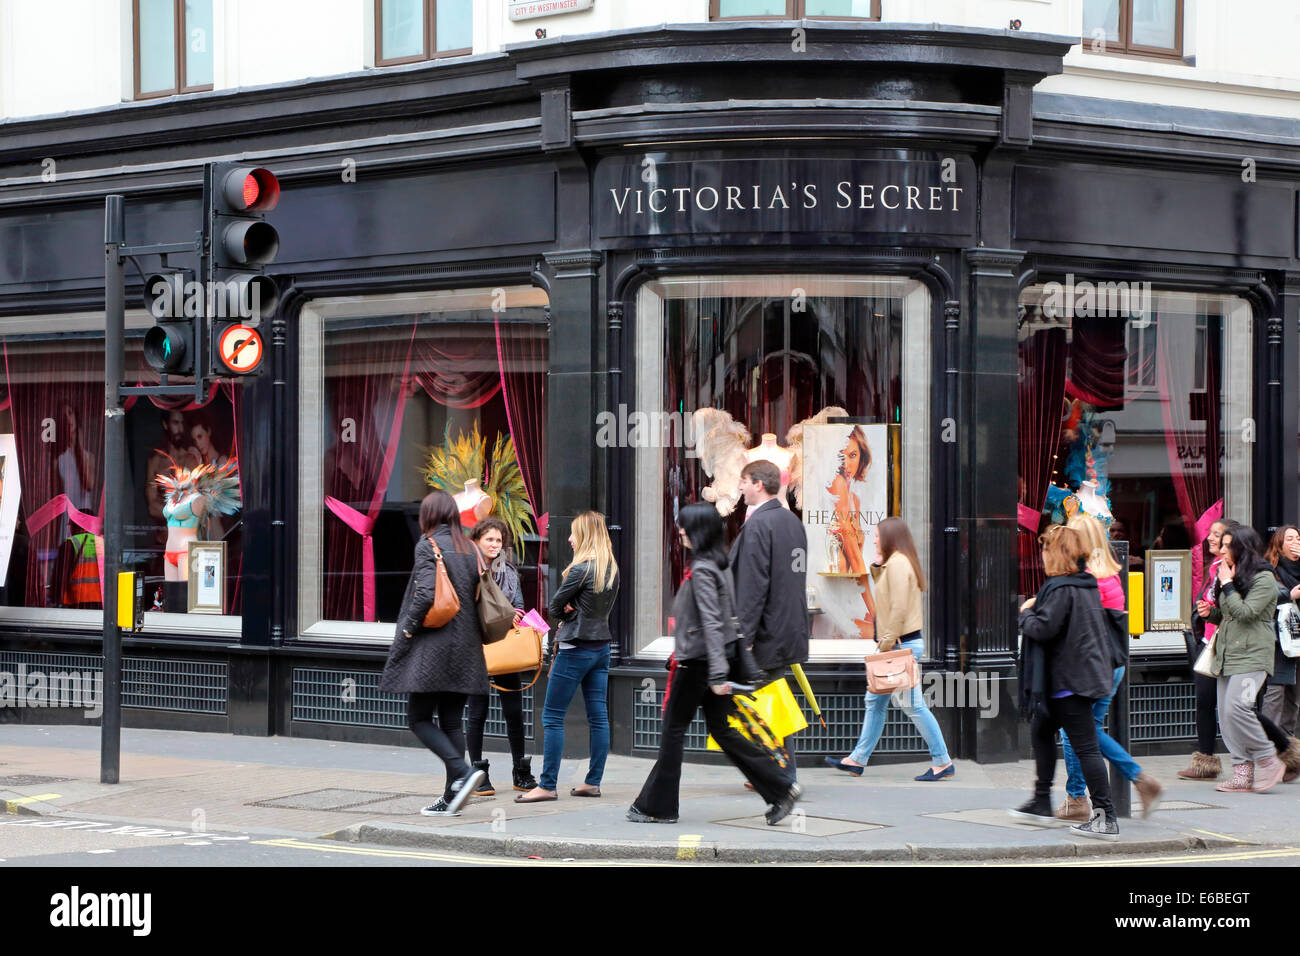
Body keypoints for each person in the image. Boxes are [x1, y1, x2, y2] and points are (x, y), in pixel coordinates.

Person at [627, 502, 800, 825]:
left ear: (700, 531)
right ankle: (781, 788)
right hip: (705, 662)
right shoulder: (716, 566)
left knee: (673, 732)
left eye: (686, 526)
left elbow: (712, 623)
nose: (680, 531)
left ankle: (658, 807)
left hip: (698, 665)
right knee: (722, 731)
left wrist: (719, 674)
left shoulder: (704, 571)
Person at [379, 491, 488, 816]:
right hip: (467, 648)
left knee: (419, 718)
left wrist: (410, 628)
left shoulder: (429, 545)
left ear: (429, 516)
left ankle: (464, 773)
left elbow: (426, 593)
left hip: (435, 648)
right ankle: (454, 796)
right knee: (452, 721)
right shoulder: (471, 548)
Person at [1010, 525, 1120, 839]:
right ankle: (1041, 800)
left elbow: (1044, 629)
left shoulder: (1061, 588)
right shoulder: (1083, 585)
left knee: (1086, 748)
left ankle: (1105, 816)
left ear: (1056, 553)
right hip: (1067, 680)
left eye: (1045, 550)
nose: (1041, 556)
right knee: (1042, 732)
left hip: (1070, 683)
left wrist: (1026, 613)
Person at [824, 517, 954, 781]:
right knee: (875, 702)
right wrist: (876, 565)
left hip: (898, 645)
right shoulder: (897, 563)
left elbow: (898, 608)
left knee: (913, 706)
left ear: (889, 538)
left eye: (877, 535)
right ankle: (857, 760)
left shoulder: (898, 565)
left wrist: (885, 642)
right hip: (901, 643)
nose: (873, 539)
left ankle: (942, 761)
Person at [1054, 515, 1163, 820]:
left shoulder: (1087, 578)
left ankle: (1130, 779)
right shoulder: (1109, 573)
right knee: (1082, 731)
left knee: (1080, 730)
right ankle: (1077, 798)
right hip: (1110, 665)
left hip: (1090, 667)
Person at [516, 511, 618, 803]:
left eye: (574, 533)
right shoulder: (611, 568)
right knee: (598, 717)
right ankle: (592, 782)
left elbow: (554, 606)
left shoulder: (580, 569)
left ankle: (547, 785)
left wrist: (563, 618)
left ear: (585, 536)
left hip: (575, 649)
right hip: (600, 648)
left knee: (552, 716)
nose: (570, 539)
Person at [729, 459, 810, 776]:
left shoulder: (760, 525)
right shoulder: (793, 523)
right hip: (787, 629)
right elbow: (796, 578)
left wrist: (744, 638)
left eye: (744, 480)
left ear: (758, 484)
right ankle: (775, 770)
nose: (739, 487)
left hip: (765, 634)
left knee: (762, 701)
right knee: (772, 697)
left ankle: (780, 774)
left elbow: (753, 586)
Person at [1204, 526, 1286, 793]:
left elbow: (1248, 614)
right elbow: (1229, 616)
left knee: (1239, 708)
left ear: (1243, 549)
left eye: (1228, 546)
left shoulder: (1264, 578)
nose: (1223, 550)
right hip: (1228, 654)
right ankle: (1242, 774)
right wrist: (1210, 614)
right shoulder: (1232, 575)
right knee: (1227, 716)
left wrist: (1227, 584)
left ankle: (1268, 759)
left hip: (1253, 656)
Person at [464, 517, 536, 796]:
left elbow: (518, 605)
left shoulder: (508, 570)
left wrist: (514, 613)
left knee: (514, 712)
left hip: (506, 647)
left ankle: (521, 771)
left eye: (498, 540)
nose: (495, 545)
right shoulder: (468, 570)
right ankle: (479, 774)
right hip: (477, 648)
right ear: (477, 540)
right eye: (489, 539)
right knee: (478, 712)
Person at [1178, 518, 1234, 780]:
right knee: (1204, 701)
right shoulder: (1213, 566)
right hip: (1208, 643)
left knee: (1238, 708)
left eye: (1217, 535)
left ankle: (1283, 749)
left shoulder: (1236, 571)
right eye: (1210, 534)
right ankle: (1206, 762)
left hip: (1230, 646)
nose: (1211, 539)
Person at [1263, 525, 1300, 735]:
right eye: (1290, 539)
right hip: (1278, 641)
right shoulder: (1270, 569)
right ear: (1279, 544)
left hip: (1299, 641)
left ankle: (1288, 752)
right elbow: (1262, 599)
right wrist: (1289, 596)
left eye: (1298, 538)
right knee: (1276, 691)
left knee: (1294, 698)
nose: (1296, 542)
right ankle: (1268, 746)